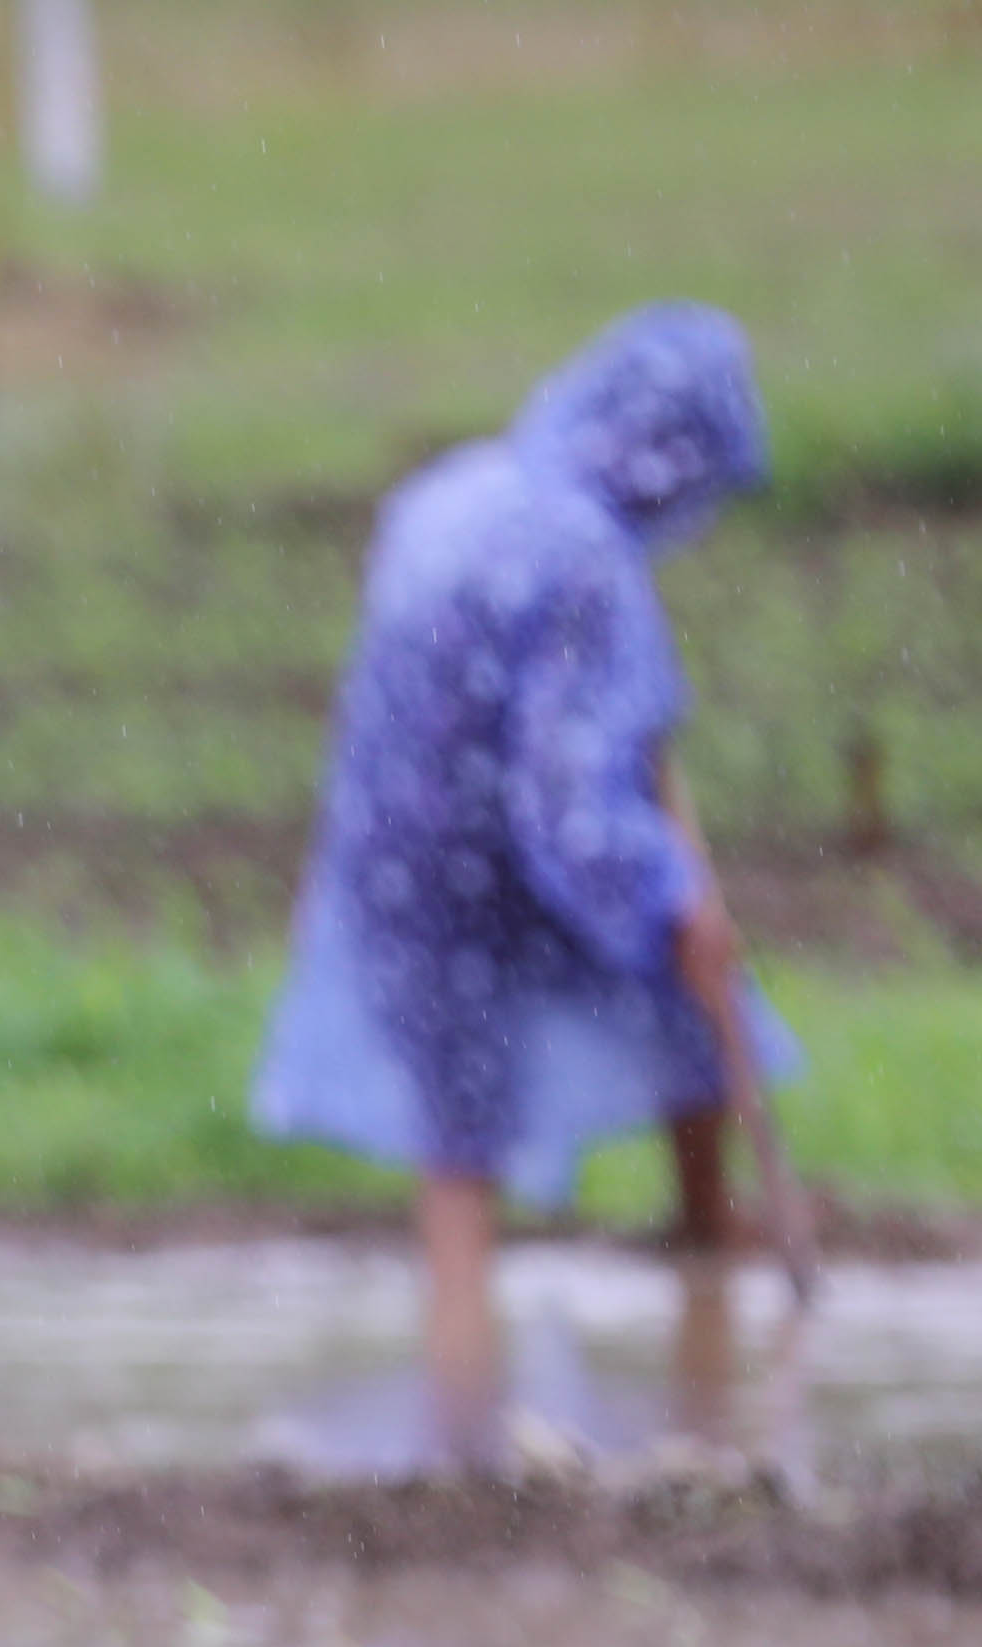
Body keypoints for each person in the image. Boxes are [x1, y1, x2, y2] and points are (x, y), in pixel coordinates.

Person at [248, 302, 807, 1472]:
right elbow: (570, 791)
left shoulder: (453, 492)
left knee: (460, 1155)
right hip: (485, 857)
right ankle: (475, 1441)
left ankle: (685, 1241)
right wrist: (669, 902)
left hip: (392, 860)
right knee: (670, 986)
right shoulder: (584, 563)